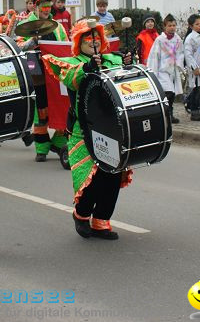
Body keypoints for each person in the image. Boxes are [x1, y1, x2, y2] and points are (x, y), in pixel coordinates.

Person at [42, 21, 133, 239]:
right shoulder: (71, 63)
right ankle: (81, 215)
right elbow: (72, 79)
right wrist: (88, 67)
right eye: (87, 39)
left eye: (95, 38)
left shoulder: (112, 59)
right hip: (84, 129)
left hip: (111, 127)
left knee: (111, 174)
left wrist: (127, 62)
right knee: (89, 179)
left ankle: (102, 220)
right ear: (78, 42)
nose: (93, 42)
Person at [18, 0, 69, 163]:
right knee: (41, 113)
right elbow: (18, 47)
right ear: (36, 7)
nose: (47, 10)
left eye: (49, 6)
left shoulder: (58, 27)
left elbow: (65, 47)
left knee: (62, 109)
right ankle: (41, 149)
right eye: (44, 7)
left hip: (56, 74)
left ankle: (58, 143)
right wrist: (33, 40)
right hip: (37, 74)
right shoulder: (25, 25)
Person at [147, 14, 184, 124]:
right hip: (162, 71)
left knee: (172, 94)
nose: (172, 27)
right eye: (169, 25)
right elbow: (154, 56)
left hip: (173, 70)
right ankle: (166, 114)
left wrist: (179, 64)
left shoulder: (178, 39)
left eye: (174, 25)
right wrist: (153, 71)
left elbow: (180, 53)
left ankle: (169, 113)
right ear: (165, 27)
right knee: (169, 92)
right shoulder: (160, 40)